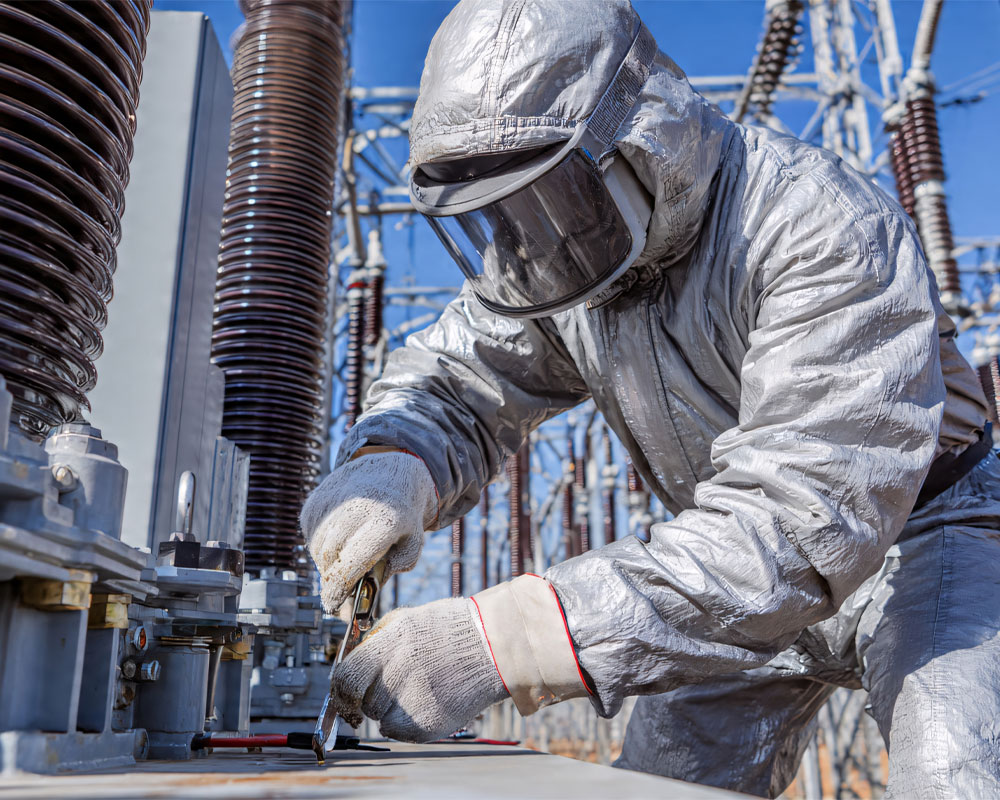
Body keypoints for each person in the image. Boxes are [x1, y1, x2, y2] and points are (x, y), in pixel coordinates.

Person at [300, 2, 1000, 797]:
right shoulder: (570, 266)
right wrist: (398, 462)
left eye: (551, 201)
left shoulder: (818, 227)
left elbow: (807, 520)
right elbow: (459, 378)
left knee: (960, 768)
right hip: (727, 569)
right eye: (502, 217)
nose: (537, 239)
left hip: (925, 535)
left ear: (638, 138)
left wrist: (501, 641)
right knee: (664, 785)